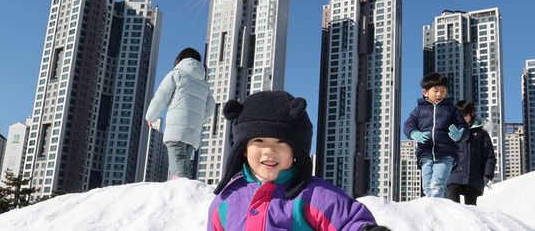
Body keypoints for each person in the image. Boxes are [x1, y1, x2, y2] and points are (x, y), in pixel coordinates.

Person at [208, 90, 383, 231]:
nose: (269, 151)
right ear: (243, 150)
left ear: (295, 151)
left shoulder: (314, 195)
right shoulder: (226, 200)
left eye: (281, 142)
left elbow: (348, 221)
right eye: (259, 141)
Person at [145, 47, 215, 179]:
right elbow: (211, 106)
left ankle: (183, 195)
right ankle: (181, 192)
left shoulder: (176, 74)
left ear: (179, 60)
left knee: (178, 170)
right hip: (192, 133)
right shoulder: (204, 84)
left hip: (176, 131)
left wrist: (151, 117)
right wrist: (199, 119)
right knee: (182, 167)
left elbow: (161, 97)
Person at [403, 72, 468, 198]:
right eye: (436, 90)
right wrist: (414, 133)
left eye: (443, 91)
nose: (439, 94)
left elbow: (463, 126)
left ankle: (436, 209)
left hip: (446, 153)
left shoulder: (452, 110)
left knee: (437, 185)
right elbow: (408, 124)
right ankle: (432, 213)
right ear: (425, 92)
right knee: (427, 187)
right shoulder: (419, 110)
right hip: (425, 153)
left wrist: (460, 134)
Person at [447, 100, 496, 205]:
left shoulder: (481, 133)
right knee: (453, 205)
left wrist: (488, 174)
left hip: (474, 177)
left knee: (471, 209)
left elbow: (489, 156)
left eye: (464, 115)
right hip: (454, 174)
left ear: (472, 114)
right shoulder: (452, 131)